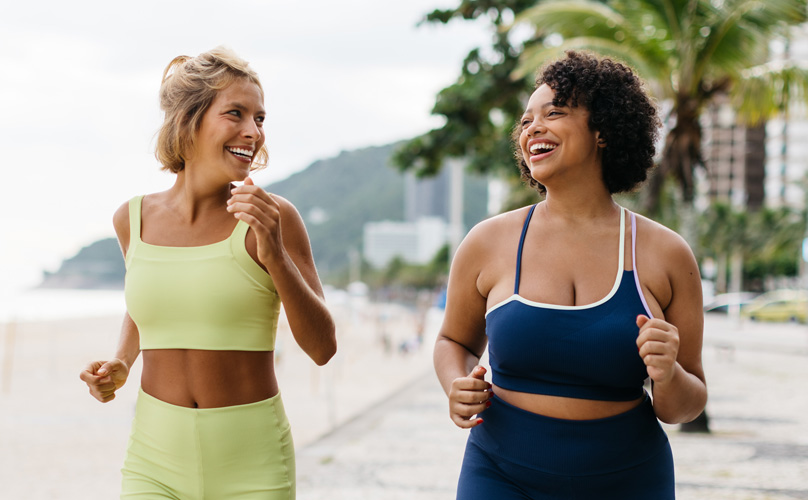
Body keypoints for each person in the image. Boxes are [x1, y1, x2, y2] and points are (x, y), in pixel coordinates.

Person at [434, 50, 707, 499]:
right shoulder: (487, 242)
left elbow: (685, 405)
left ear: (603, 131)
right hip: (500, 474)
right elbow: (453, 342)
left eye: (554, 113)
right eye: (525, 121)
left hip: (629, 478)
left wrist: (668, 373)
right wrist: (456, 385)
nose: (532, 128)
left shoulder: (666, 254)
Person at [79, 47, 336, 499]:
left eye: (259, 118)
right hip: (153, 459)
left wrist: (273, 251)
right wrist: (122, 360)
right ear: (188, 121)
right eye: (235, 113)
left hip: (252, 462)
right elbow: (155, 296)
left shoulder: (276, 216)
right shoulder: (132, 219)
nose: (252, 131)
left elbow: (322, 348)